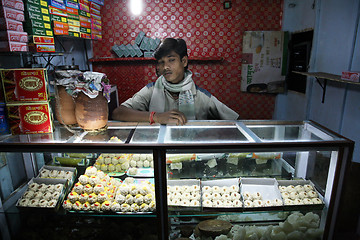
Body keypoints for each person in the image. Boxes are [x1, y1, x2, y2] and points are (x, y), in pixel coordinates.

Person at [112, 38, 239, 125]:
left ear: (184, 61)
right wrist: (155, 117)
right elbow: (118, 113)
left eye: (171, 60)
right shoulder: (151, 90)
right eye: (161, 62)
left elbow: (236, 120)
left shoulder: (201, 96)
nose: (165, 67)